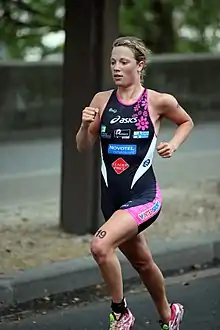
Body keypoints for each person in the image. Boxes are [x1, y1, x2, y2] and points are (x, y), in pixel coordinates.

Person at [76, 36, 194, 330]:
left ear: (139, 66)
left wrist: (173, 145)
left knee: (100, 246)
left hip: (144, 196)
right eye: (113, 62)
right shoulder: (102, 101)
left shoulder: (157, 101)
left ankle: (120, 311)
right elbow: (82, 146)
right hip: (112, 200)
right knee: (142, 262)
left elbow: (186, 121)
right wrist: (84, 124)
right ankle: (169, 315)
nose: (116, 68)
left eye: (123, 62)